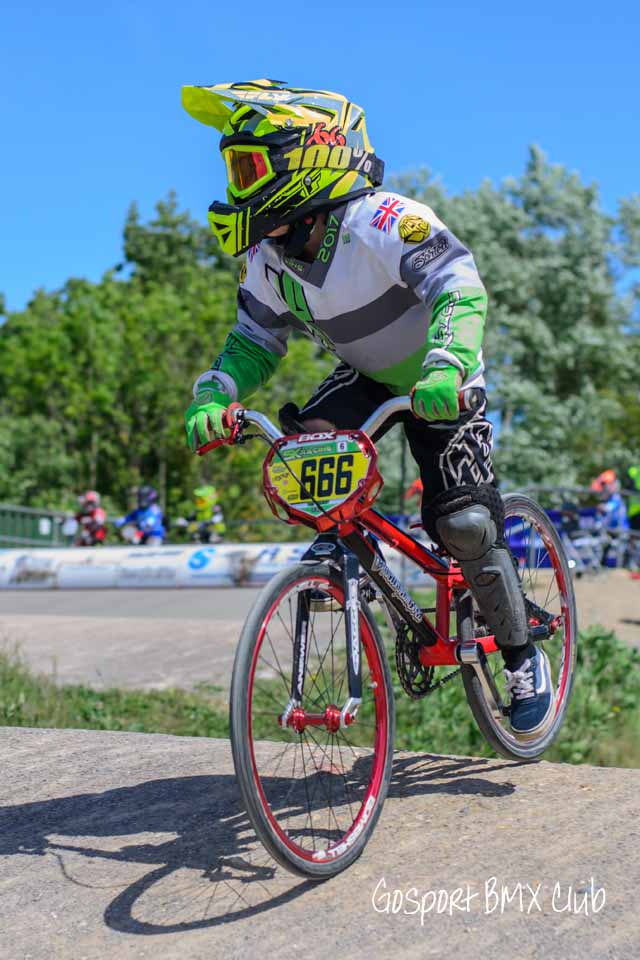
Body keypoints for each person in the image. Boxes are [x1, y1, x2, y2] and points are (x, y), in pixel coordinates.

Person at [182, 79, 550, 741]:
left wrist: (447, 365)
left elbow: (459, 287)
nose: (237, 188)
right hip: (368, 377)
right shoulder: (268, 259)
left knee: (465, 524)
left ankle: (523, 657)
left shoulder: (385, 221)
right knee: (303, 452)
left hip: (443, 378)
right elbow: (254, 340)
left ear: (308, 157)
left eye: (248, 169)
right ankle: (347, 560)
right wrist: (217, 392)